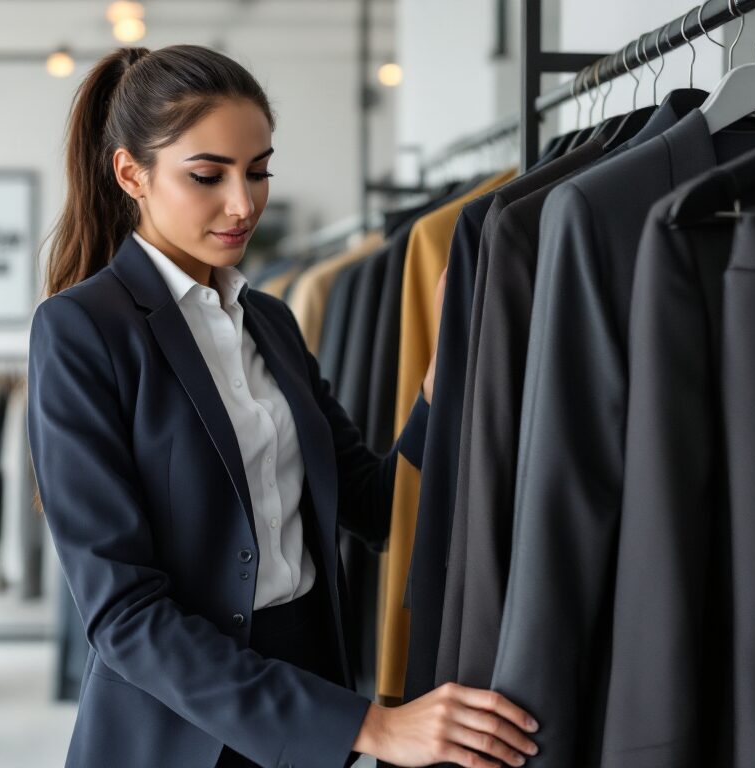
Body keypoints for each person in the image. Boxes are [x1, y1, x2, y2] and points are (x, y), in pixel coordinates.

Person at [27, 44, 539, 768]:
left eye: (259, 171)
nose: (244, 204)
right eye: (208, 176)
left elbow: (370, 505)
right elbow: (125, 615)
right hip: (177, 731)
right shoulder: (82, 329)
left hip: (309, 698)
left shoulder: (269, 321)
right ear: (130, 174)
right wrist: (372, 726)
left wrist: (441, 384)